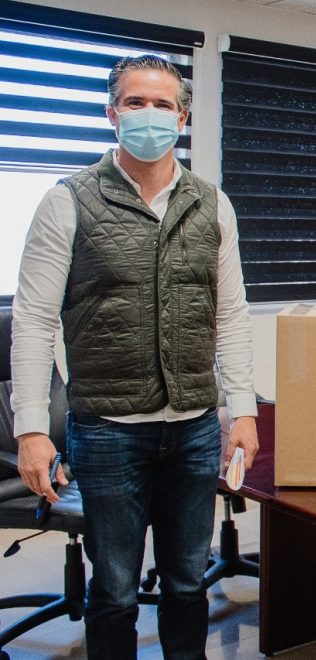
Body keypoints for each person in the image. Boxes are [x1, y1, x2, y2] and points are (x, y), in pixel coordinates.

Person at [11, 55, 258, 658]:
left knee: (187, 583)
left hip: (194, 428)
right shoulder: (68, 201)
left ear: (183, 117)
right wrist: (31, 429)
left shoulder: (212, 204)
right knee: (116, 590)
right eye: (135, 102)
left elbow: (230, 314)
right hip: (108, 430)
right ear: (112, 113)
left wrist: (243, 409)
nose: (150, 115)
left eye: (163, 104)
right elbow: (34, 319)